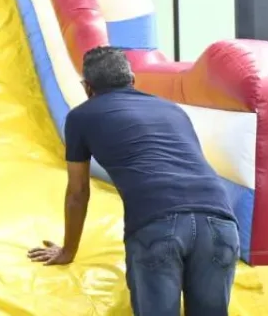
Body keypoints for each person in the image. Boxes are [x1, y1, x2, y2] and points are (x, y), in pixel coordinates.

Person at [27, 46, 240, 316]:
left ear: (87, 87)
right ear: (132, 80)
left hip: (158, 222)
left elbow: (78, 192)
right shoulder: (172, 110)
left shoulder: (81, 117)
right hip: (220, 221)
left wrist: (68, 250)